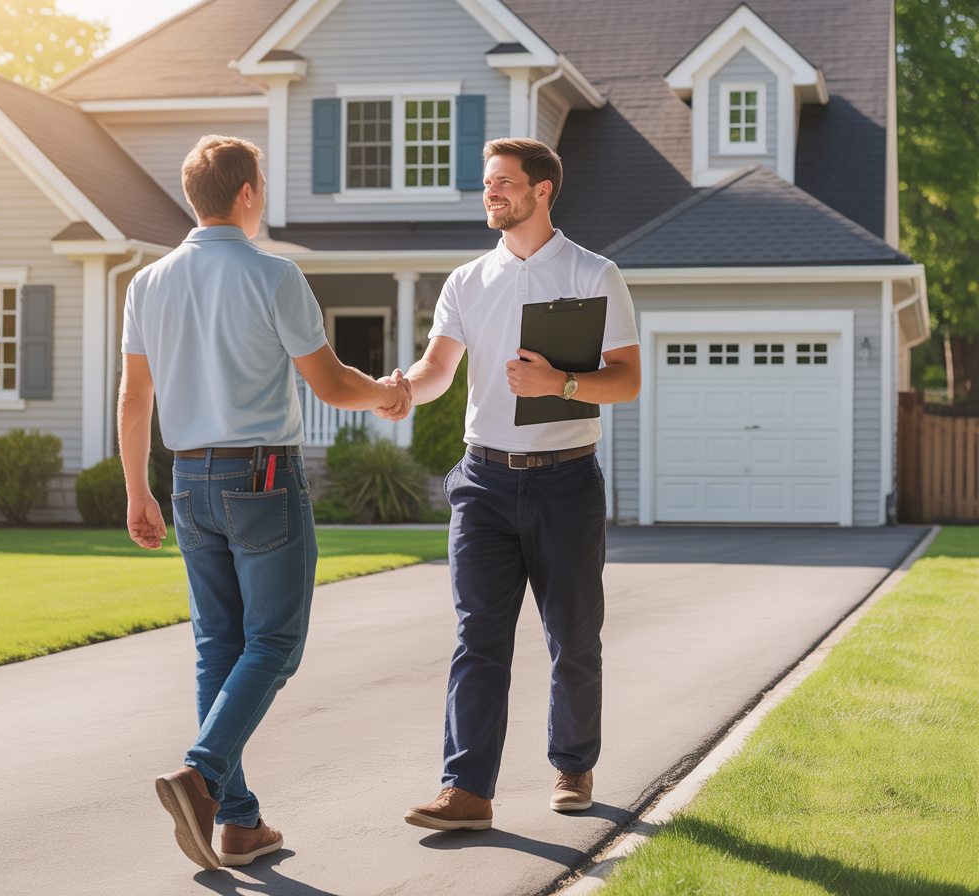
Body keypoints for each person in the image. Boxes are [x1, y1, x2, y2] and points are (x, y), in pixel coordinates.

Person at [118, 135, 411, 871]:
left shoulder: (147, 284)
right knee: (275, 643)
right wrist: (386, 395)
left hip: (187, 479)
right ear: (246, 192)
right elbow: (332, 383)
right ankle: (201, 773)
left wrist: (136, 490)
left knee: (219, 645)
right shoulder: (273, 275)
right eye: (264, 186)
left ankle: (239, 823)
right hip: (262, 477)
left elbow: (133, 398)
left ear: (195, 196)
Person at [402, 138, 641, 831]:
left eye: (503, 183)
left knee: (573, 636)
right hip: (482, 481)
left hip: (565, 482)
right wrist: (398, 392)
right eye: (486, 184)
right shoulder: (466, 280)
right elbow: (436, 370)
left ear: (542, 191)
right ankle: (466, 789)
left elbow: (626, 378)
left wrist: (561, 383)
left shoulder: (595, 274)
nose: (490, 194)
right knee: (478, 635)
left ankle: (572, 764)